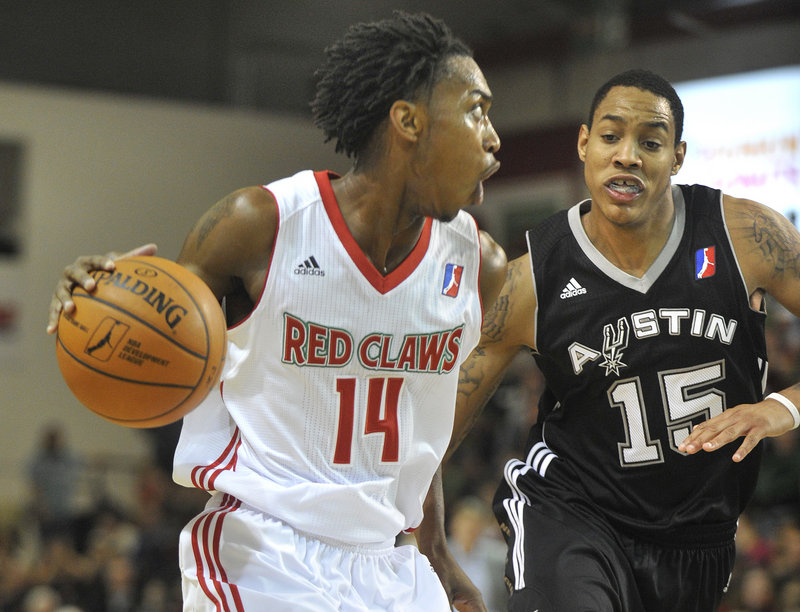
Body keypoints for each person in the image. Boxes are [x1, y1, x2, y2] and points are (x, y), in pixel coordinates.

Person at [46, 11, 506, 612]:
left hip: (389, 562)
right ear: (409, 121)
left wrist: (436, 550)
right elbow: (152, 329)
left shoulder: (479, 266)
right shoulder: (259, 226)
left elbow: (420, 421)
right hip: (263, 549)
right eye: (476, 109)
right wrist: (104, 298)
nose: (493, 136)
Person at [448, 69, 800, 611]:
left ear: (678, 157)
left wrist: (784, 406)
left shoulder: (746, 237)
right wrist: (422, 534)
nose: (627, 155)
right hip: (571, 512)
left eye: (650, 142)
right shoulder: (532, 280)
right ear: (585, 144)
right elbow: (436, 424)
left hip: (698, 538)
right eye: (611, 137)